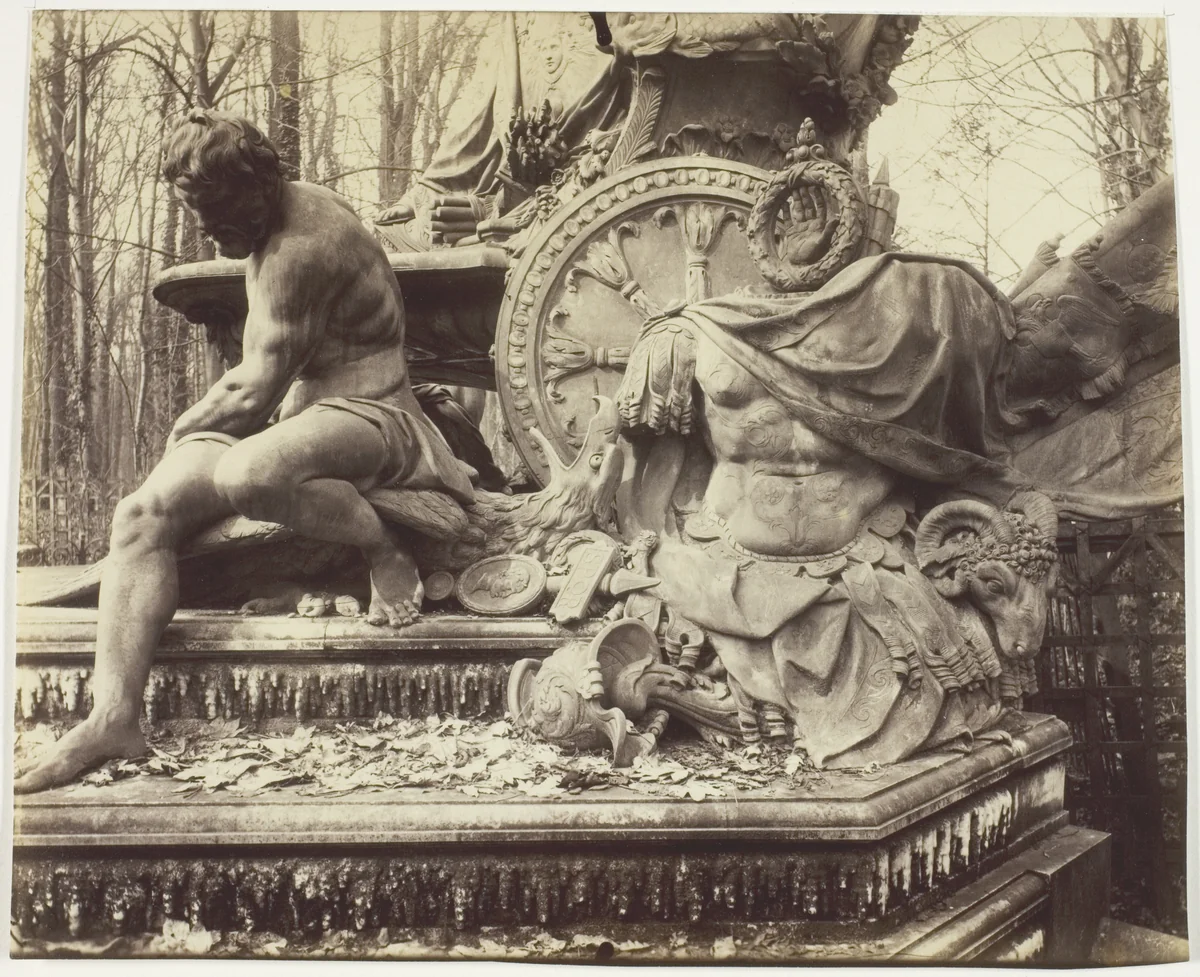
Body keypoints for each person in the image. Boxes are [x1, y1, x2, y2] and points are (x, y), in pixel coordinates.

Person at [14, 109, 476, 793]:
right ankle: (113, 715)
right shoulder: (262, 231)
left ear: (260, 185)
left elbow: (252, 392)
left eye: (218, 208)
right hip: (303, 419)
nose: (206, 227)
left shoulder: (301, 247)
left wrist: (180, 435)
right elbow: (256, 395)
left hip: (376, 419)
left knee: (246, 472)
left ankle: (382, 546)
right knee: (141, 513)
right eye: (195, 210)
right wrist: (180, 456)